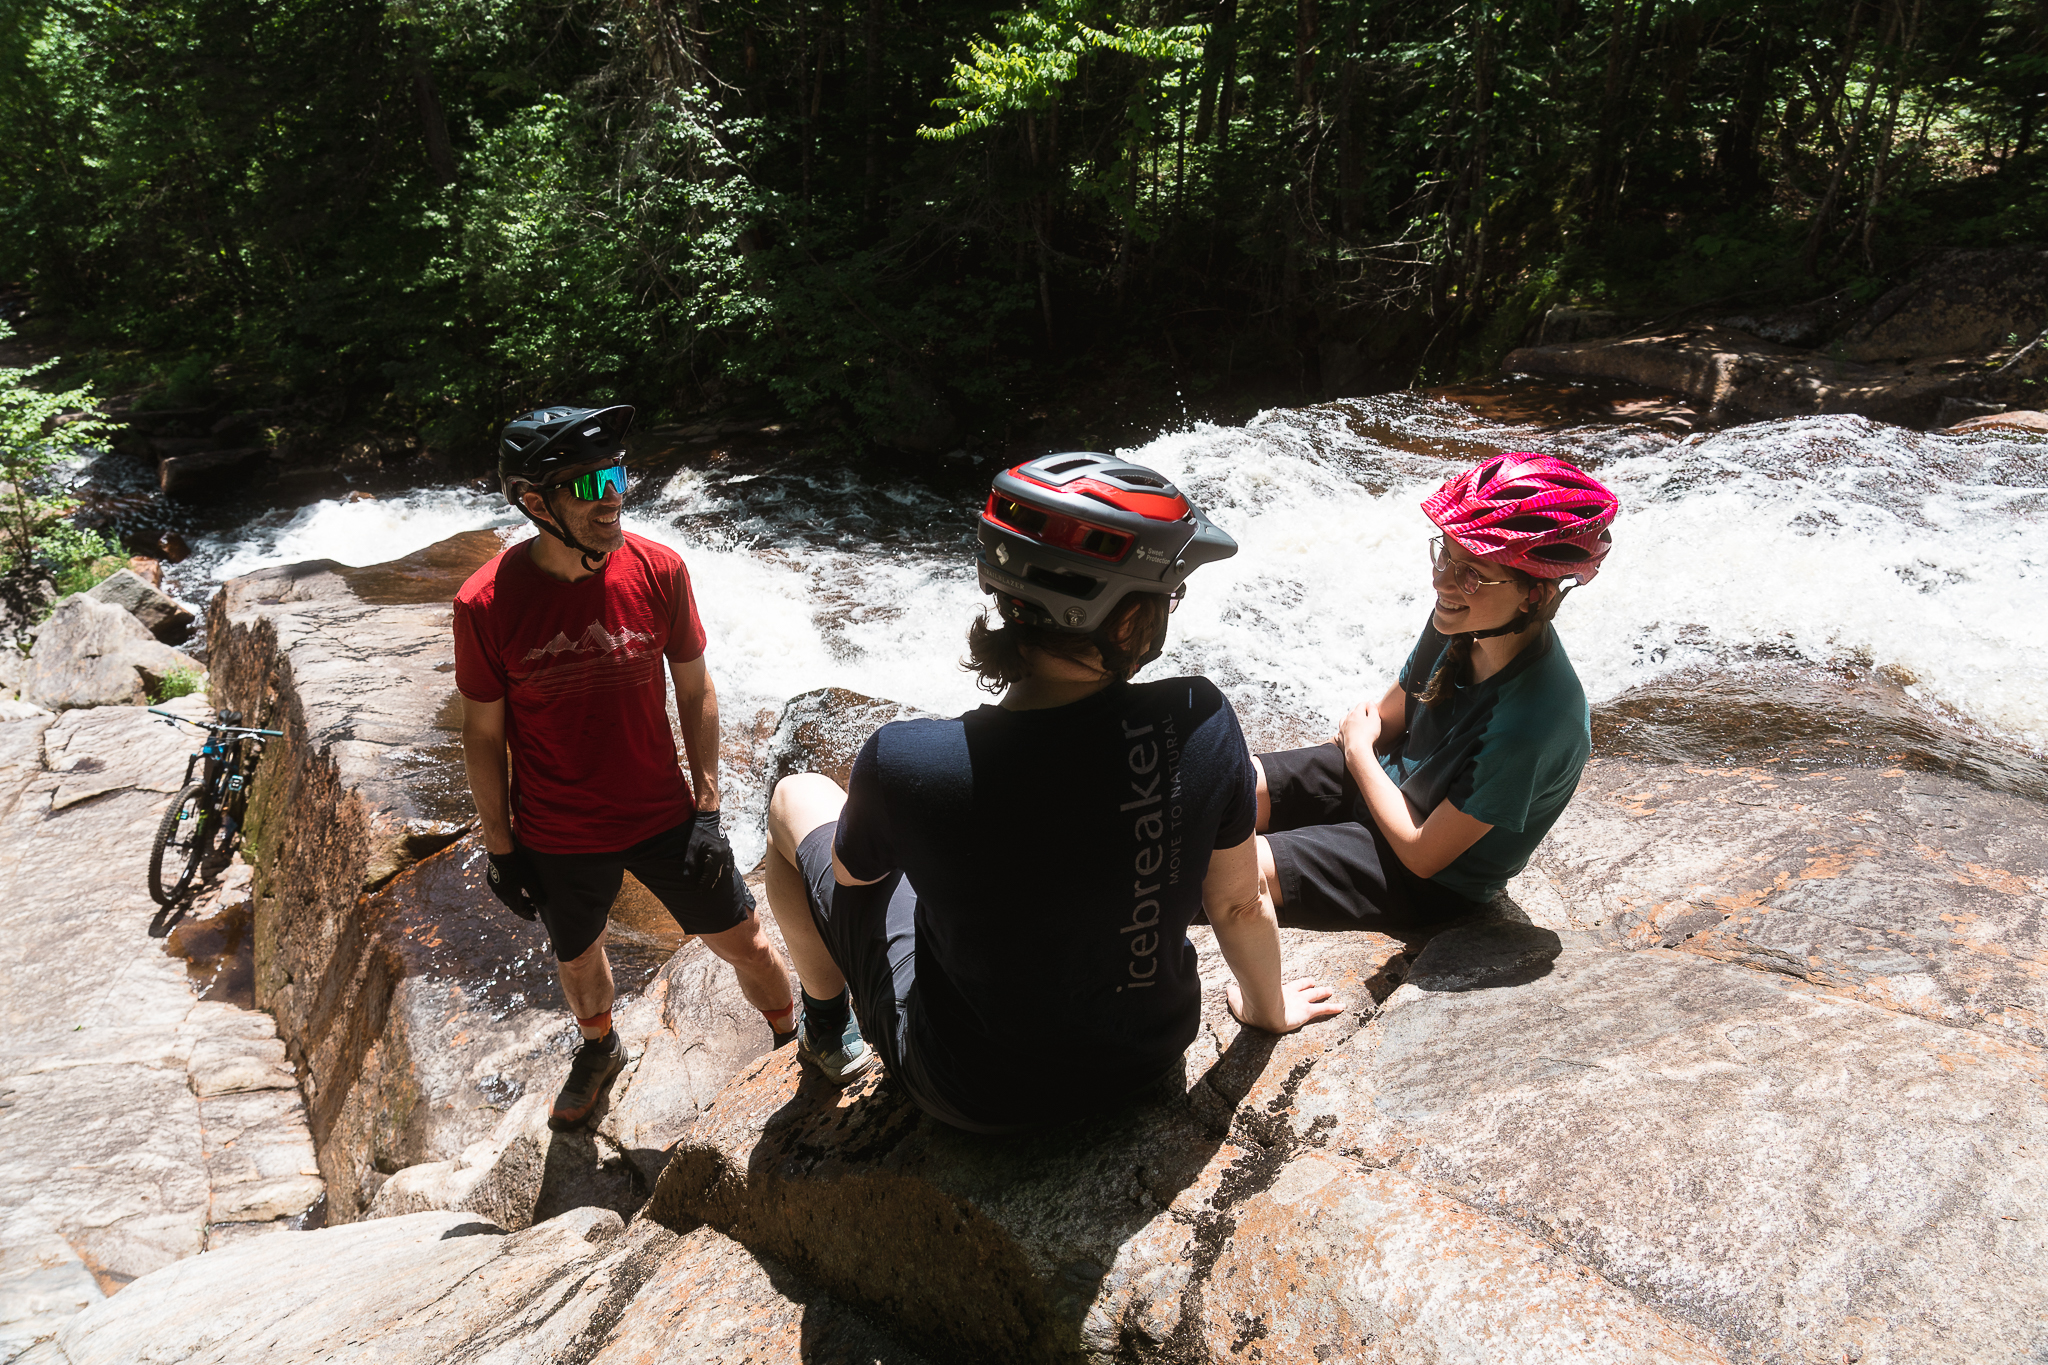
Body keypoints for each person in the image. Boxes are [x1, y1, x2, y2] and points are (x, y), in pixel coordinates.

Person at [760, 453, 1345, 1133]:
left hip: (970, 1093)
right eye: (1166, 597)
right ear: (1125, 624)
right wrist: (1267, 1010)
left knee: (795, 795)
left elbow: (853, 874)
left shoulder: (907, 761)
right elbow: (1240, 904)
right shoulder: (1203, 722)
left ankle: (828, 1028)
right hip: (1145, 1061)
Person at [453, 403, 797, 1132]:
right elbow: (483, 735)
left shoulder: (660, 569)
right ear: (537, 503)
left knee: (748, 942)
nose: (613, 496)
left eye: (617, 474)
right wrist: (499, 846)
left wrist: (708, 808)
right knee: (577, 958)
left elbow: (697, 687)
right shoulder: (483, 603)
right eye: (590, 483)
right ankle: (601, 1046)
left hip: (665, 816)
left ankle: (798, 1031)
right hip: (555, 829)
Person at [1254, 452, 1619, 924]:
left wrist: (1358, 752)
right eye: (1445, 552)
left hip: (1427, 879)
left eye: (1473, 572)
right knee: (1222, 787)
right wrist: (1337, 761)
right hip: (1387, 787)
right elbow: (1386, 719)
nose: (1440, 580)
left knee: (1226, 868)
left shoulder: (1533, 724)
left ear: (1537, 594)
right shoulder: (1462, 621)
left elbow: (1423, 853)